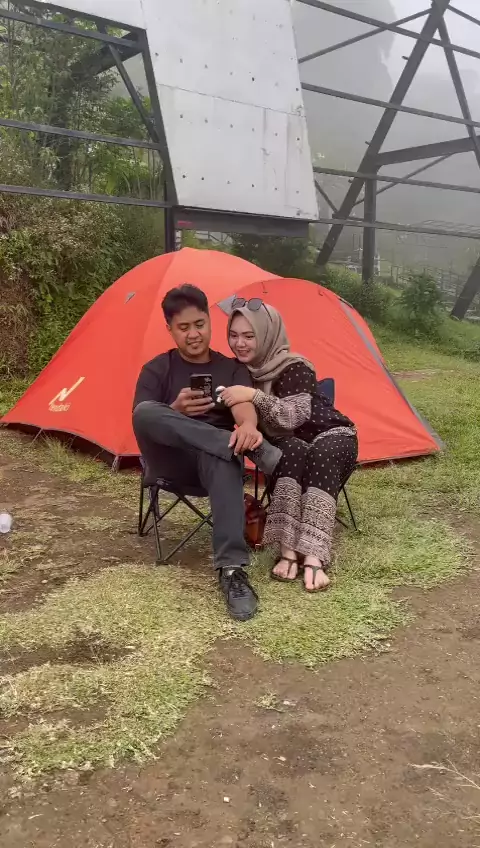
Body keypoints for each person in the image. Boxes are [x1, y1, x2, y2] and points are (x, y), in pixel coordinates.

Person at [132, 284, 282, 621]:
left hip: (215, 466)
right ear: (170, 329)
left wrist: (248, 427)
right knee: (146, 411)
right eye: (183, 327)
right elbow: (143, 422)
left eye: (199, 324)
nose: (193, 334)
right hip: (171, 461)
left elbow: (243, 407)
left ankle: (232, 571)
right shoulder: (157, 369)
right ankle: (231, 445)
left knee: (224, 454)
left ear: (209, 321)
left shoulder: (232, 369)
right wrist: (175, 409)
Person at [222, 298, 358, 593]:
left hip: (332, 435)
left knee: (318, 453)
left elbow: (293, 416)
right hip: (291, 445)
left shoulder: (294, 366)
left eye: (249, 335)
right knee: (291, 451)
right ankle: (288, 550)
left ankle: (314, 557)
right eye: (233, 335)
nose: (239, 343)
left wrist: (253, 395)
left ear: (267, 334)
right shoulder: (239, 373)